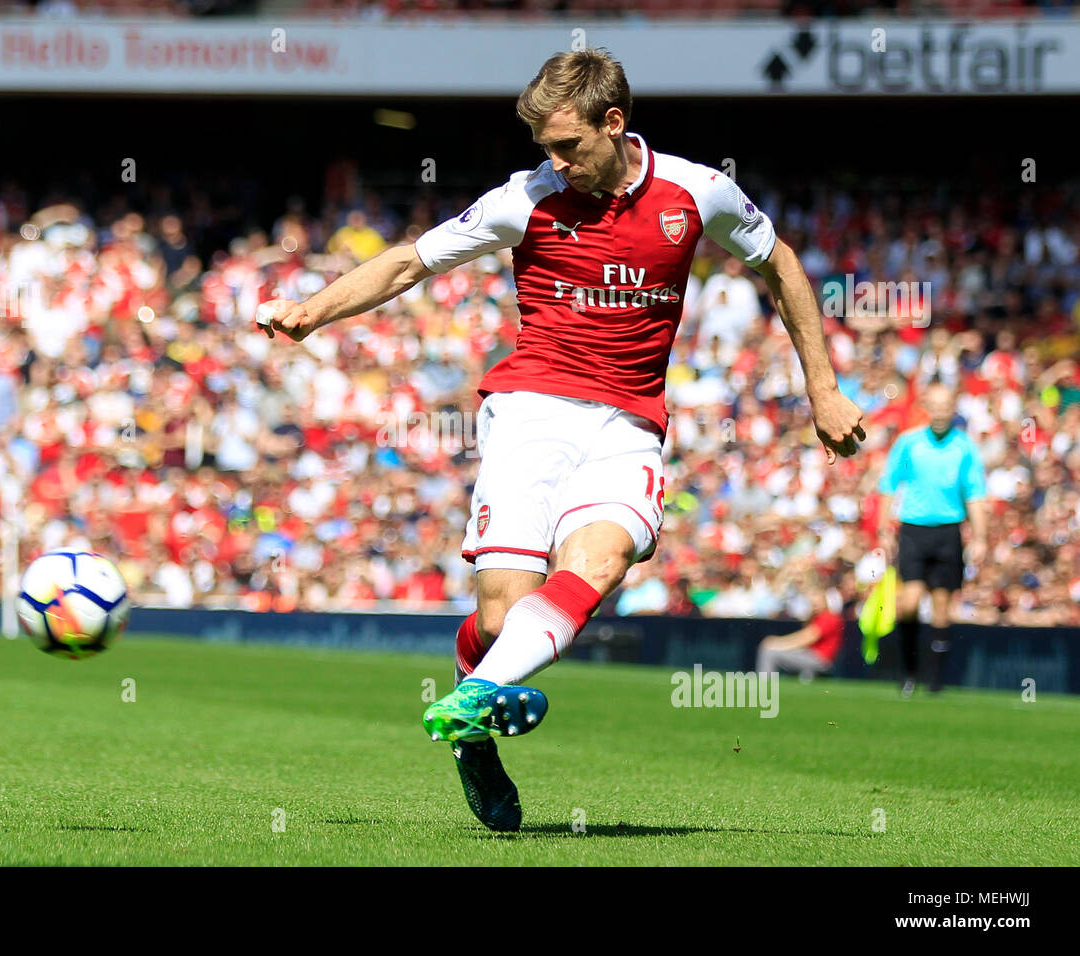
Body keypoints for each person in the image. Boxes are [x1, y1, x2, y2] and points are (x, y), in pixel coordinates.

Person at [256, 48, 865, 831]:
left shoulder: (698, 191)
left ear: (615, 123)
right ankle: (476, 726)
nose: (556, 162)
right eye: (545, 146)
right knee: (507, 622)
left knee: (603, 561)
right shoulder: (524, 200)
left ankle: (471, 703)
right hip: (530, 413)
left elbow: (779, 263)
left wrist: (822, 386)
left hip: (629, 424)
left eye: (569, 145)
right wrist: (314, 309)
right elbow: (411, 262)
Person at [877, 382, 988, 695]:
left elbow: (976, 494)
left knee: (942, 607)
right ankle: (908, 671)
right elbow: (888, 484)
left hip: (948, 531)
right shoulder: (909, 443)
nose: (940, 413)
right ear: (926, 407)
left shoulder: (964, 446)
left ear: (953, 408)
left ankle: (935, 680)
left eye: (945, 406)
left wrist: (980, 537)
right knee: (909, 602)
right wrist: (884, 528)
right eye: (935, 406)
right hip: (913, 529)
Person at [756, 589, 844, 681]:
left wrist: (777, 643)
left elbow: (806, 638)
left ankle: (763, 682)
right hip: (814, 657)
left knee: (769, 652)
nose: (815, 606)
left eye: (817, 603)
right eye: (813, 604)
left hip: (819, 660)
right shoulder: (819, 617)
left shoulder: (828, 617)